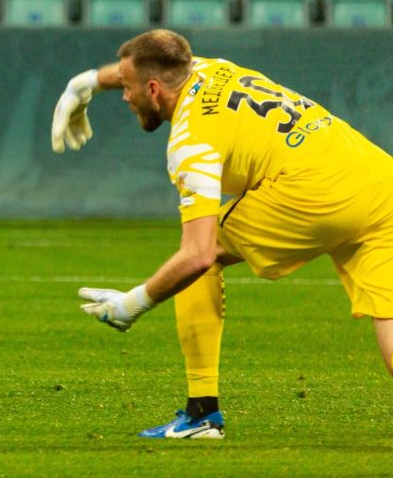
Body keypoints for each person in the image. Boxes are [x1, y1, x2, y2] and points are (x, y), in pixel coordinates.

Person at [51, 29, 393, 439]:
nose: (124, 96)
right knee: (389, 316)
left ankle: (201, 416)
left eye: (126, 88)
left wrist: (133, 303)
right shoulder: (212, 68)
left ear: (154, 90)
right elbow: (150, 64)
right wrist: (86, 83)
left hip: (314, 192)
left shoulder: (191, 142)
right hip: (377, 178)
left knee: (203, 256)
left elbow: (196, 255)